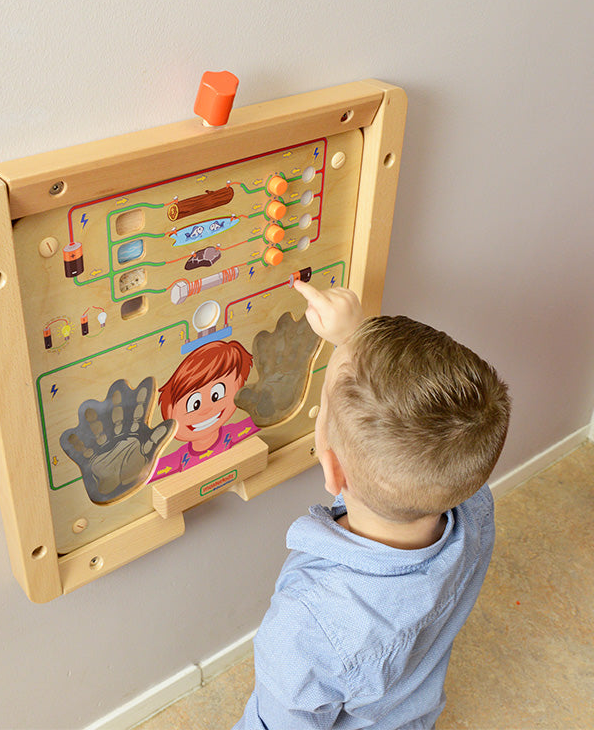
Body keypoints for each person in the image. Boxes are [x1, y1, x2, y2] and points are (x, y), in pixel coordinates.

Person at [234, 285, 511, 730]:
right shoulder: (471, 500)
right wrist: (352, 336)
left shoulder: (307, 625)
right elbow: (403, 419)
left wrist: (351, 345)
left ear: (332, 470)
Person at [149, 340, 258, 481]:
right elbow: (149, 473)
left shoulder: (234, 433)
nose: (206, 410)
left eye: (216, 395)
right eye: (194, 404)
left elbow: (263, 419)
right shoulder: (181, 458)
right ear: (169, 410)